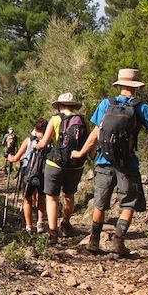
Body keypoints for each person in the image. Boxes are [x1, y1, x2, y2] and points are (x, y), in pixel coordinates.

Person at [71, 69, 148, 255]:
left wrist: (81, 153)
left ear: (119, 85)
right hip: (127, 163)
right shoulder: (141, 107)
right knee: (129, 203)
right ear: (136, 86)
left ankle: (94, 241)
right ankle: (118, 240)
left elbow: (95, 134)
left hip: (104, 161)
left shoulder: (106, 104)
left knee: (99, 203)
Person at [35, 93, 87, 243]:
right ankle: (65, 225)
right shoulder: (82, 120)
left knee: (52, 198)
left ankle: (53, 232)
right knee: (69, 195)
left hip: (55, 164)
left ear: (59, 106)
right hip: (76, 165)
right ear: (73, 106)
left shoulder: (55, 119)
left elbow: (44, 144)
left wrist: (37, 145)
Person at [8, 119, 48, 235]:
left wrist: (9, 157)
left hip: (28, 173)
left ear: (35, 128)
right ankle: (40, 223)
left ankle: (29, 226)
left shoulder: (29, 141)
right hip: (43, 173)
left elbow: (15, 158)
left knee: (27, 199)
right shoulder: (48, 141)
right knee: (41, 198)